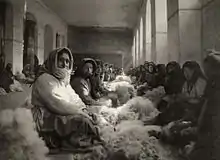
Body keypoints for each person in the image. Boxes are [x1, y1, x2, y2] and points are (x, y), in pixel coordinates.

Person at [31, 48, 102, 149]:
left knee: (91, 117)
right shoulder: (44, 78)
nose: (65, 64)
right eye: (61, 60)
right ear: (53, 61)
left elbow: (74, 98)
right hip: (46, 116)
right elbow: (57, 103)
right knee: (81, 121)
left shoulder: (63, 80)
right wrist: (80, 112)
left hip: (61, 111)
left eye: (67, 61)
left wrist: (83, 109)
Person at [190, 50, 220, 160]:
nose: (206, 71)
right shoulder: (212, 82)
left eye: (208, 68)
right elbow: (205, 103)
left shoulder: (214, 82)